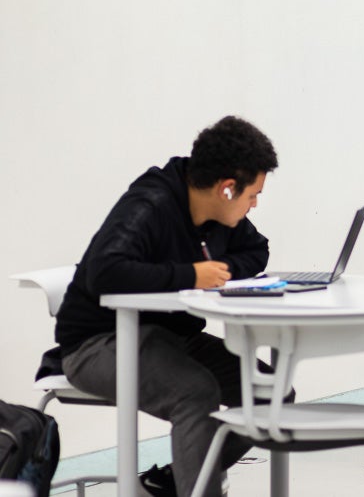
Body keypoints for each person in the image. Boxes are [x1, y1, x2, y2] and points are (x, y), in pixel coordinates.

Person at [54, 116, 279, 497]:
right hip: (97, 344)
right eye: (252, 194)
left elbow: (257, 250)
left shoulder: (221, 216)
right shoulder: (151, 203)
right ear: (227, 189)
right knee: (195, 393)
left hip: (173, 339)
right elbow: (105, 271)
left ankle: (173, 481)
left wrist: (219, 272)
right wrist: (191, 275)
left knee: (270, 394)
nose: (254, 204)